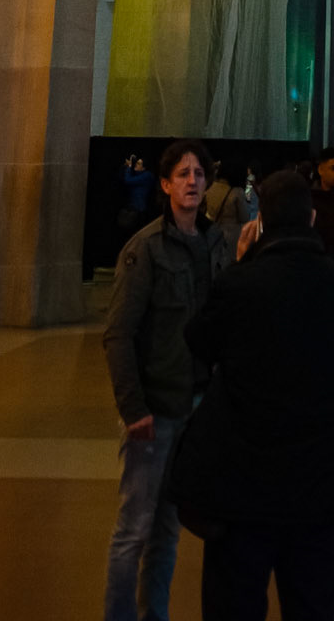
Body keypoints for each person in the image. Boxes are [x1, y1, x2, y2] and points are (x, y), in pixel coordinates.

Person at [170, 170, 334, 620]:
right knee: (311, 603)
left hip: (244, 483)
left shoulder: (242, 284)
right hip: (315, 481)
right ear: (311, 217)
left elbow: (199, 339)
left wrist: (241, 264)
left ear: (260, 223)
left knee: (235, 601)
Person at [102, 139, 231, 621]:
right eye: (183, 174)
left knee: (168, 529)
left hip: (197, 407)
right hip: (156, 408)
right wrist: (133, 409)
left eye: (199, 173)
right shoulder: (145, 250)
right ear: (164, 184)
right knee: (134, 529)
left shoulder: (217, 243)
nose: (193, 181)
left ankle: (153, 613)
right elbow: (118, 334)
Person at [119, 153, 156, 248]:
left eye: (139, 163)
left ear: (144, 168)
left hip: (139, 212)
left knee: (136, 238)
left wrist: (130, 167)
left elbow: (128, 181)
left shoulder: (147, 176)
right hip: (134, 210)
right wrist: (128, 166)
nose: (136, 164)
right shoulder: (142, 175)